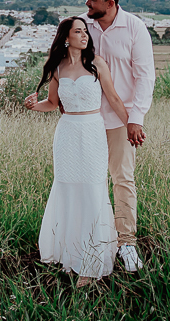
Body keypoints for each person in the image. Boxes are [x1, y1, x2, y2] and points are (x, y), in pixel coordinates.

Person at [25, 17, 129, 286]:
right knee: (68, 189)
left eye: (85, 31)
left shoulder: (96, 63)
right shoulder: (58, 68)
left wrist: (131, 127)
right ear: (66, 37)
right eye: (78, 32)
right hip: (67, 133)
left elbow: (114, 98)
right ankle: (70, 256)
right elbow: (51, 103)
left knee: (93, 189)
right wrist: (33, 106)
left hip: (92, 130)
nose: (84, 36)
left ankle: (91, 263)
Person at [81, 0, 153, 271]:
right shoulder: (81, 27)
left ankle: (127, 243)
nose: (87, 3)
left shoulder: (134, 28)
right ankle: (91, 237)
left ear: (110, 3)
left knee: (122, 179)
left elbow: (145, 77)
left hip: (122, 121)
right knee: (87, 180)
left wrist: (136, 119)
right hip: (86, 119)